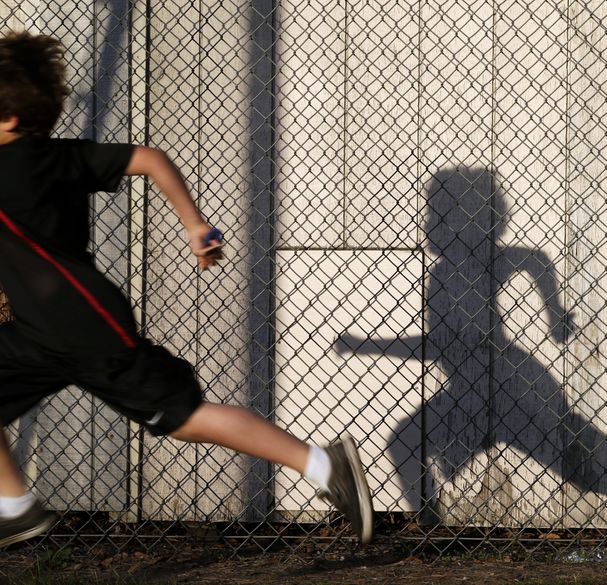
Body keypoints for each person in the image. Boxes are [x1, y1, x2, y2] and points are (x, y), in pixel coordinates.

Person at [0, 31, 373, 547]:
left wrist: (196, 227)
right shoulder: (63, 157)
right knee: (185, 419)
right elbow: (151, 158)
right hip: (47, 329)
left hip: (88, 329)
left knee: (186, 419)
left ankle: (322, 463)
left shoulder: (17, 165)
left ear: (11, 119)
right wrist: (195, 225)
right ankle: (16, 508)